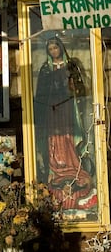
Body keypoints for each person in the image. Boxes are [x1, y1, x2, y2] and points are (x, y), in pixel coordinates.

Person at [34, 36, 96, 210]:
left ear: (61, 48)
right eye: (51, 49)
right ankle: (57, 166)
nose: (54, 51)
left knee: (69, 136)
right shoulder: (46, 69)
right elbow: (41, 93)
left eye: (56, 48)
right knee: (54, 138)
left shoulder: (71, 65)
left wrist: (72, 89)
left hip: (68, 106)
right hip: (52, 108)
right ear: (48, 51)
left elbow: (81, 87)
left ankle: (72, 163)